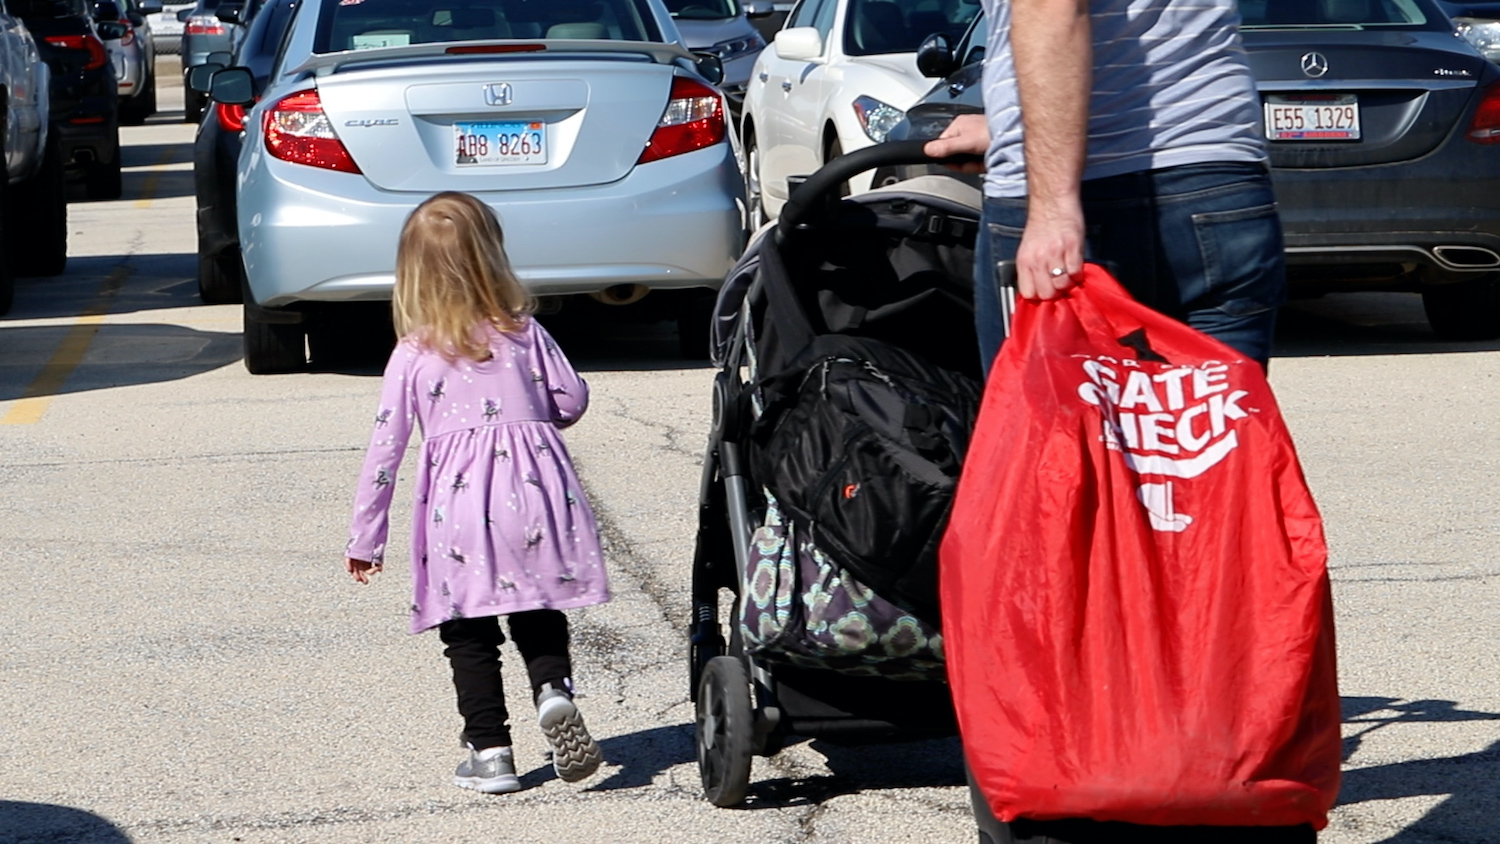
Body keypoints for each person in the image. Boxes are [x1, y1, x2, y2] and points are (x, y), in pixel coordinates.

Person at [926, 2, 1310, 842]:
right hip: (1219, 182)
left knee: (1049, 514)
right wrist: (1014, 113)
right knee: (1208, 514)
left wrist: (1052, 197)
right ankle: (1218, 780)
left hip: (1093, 202)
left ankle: (1067, 787)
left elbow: (1050, 9)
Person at [343, 192, 608, 795]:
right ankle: (553, 691)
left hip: (459, 511)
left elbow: (386, 449)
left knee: (468, 629)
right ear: (493, 258)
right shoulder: (525, 333)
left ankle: (490, 753)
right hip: (536, 496)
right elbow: (571, 401)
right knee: (537, 606)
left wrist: (367, 536)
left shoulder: (412, 354)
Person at [925, 0, 1286, 376]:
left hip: (1078, 201)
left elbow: (1049, 7)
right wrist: (1012, 131)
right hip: (1217, 176)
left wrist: (1052, 208)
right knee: (1213, 427)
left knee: (1051, 429)